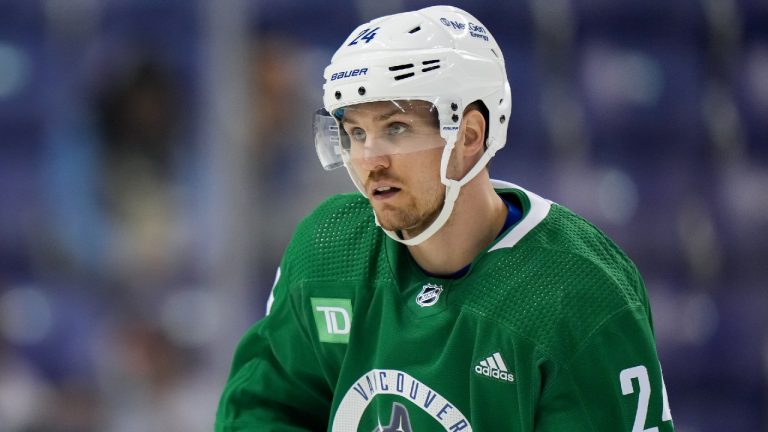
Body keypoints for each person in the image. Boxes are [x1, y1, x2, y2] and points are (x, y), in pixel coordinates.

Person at [215, 5, 674, 431]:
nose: (369, 161)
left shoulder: (578, 294)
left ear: (471, 135)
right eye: (355, 132)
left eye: (395, 129)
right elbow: (265, 409)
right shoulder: (329, 249)